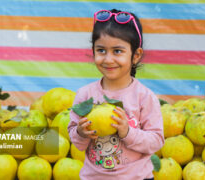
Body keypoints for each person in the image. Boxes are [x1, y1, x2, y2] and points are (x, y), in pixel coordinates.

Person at [68, 9, 164, 180]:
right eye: (101, 50)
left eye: (117, 51)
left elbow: (156, 141)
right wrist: (81, 133)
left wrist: (128, 133)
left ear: (135, 55)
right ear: (93, 51)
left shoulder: (144, 97)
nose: (108, 59)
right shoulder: (85, 95)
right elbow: (76, 140)